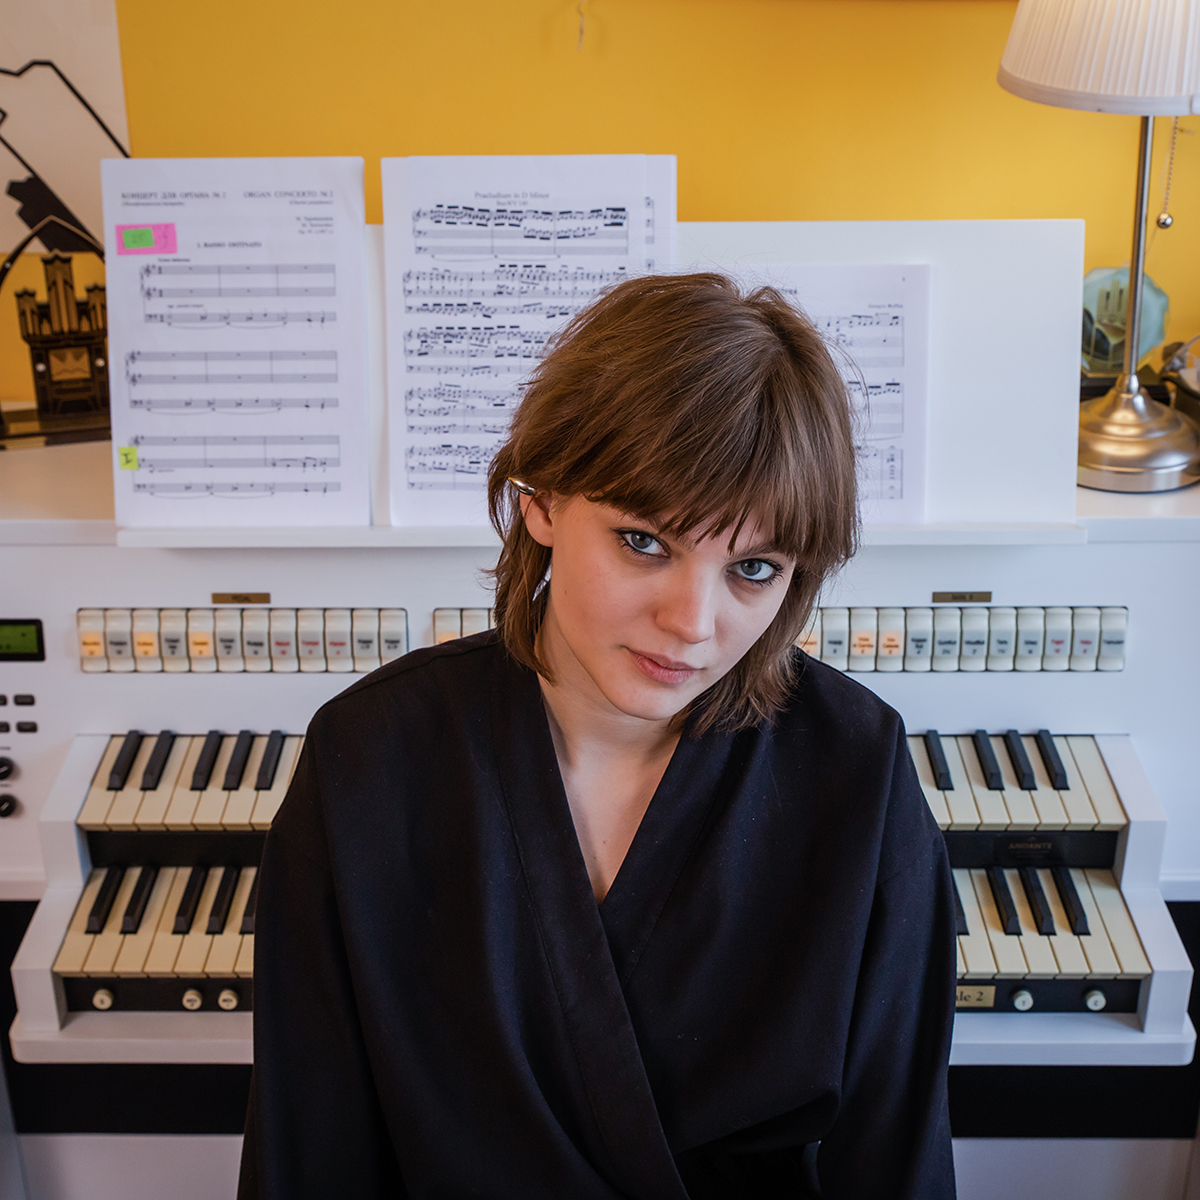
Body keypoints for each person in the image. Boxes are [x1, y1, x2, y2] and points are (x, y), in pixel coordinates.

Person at [238, 273, 957, 1200]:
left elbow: (896, 1158)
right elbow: (310, 1153)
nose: (692, 623)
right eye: (644, 542)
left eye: (753, 568)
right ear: (539, 502)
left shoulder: (858, 769)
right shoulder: (366, 758)